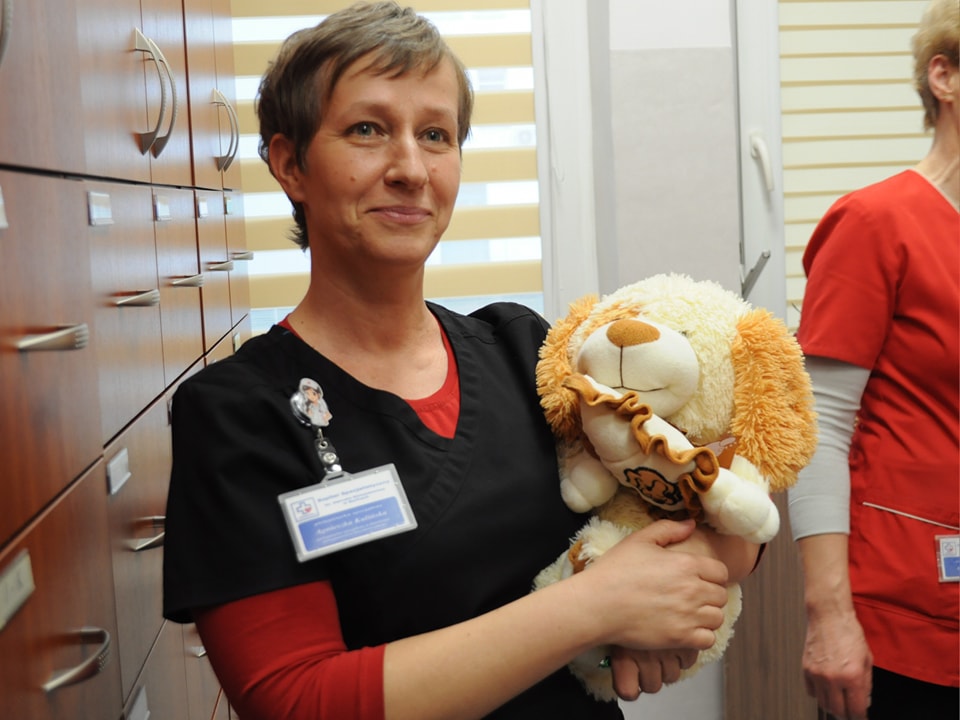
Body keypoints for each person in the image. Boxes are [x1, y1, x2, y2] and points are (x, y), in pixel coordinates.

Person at [161, 3, 760, 718]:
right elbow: (297, 700)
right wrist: (594, 608)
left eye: (436, 135)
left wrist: (658, 608)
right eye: (367, 130)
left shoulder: (523, 350)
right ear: (291, 164)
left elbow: (710, 510)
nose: (411, 169)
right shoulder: (239, 414)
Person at [787, 1, 960, 719]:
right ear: (944, 77)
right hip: (906, 614)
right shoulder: (876, 224)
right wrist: (828, 615)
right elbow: (819, 427)